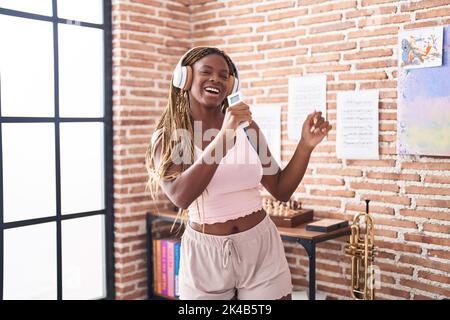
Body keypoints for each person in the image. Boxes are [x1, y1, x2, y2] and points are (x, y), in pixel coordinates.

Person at [145, 47, 331, 300]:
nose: (216, 80)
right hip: (205, 255)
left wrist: (305, 145)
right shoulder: (172, 135)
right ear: (185, 79)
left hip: (260, 246)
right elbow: (180, 196)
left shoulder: (247, 128)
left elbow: (281, 189)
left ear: (231, 85)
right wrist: (224, 138)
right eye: (206, 72)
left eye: (224, 75)